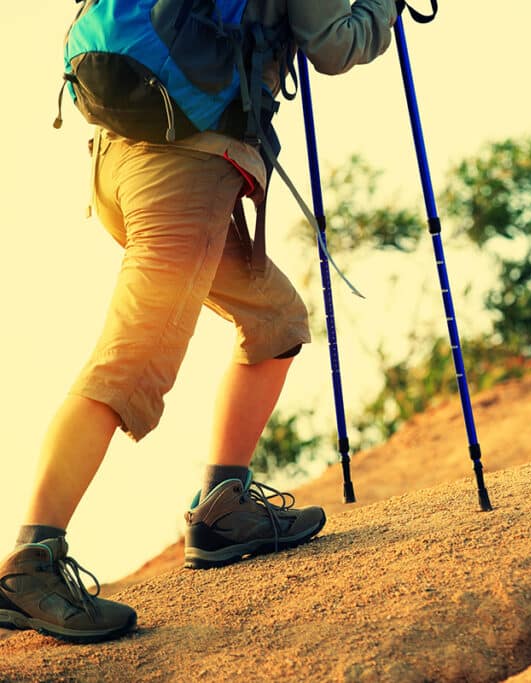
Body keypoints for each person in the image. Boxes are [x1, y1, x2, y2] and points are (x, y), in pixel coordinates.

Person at [0, 0, 398, 644]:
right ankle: (30, 562)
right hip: (182, 171)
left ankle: (223, 511)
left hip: (119, 153)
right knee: (130, 362)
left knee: (275, 321)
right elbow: (333, 45)